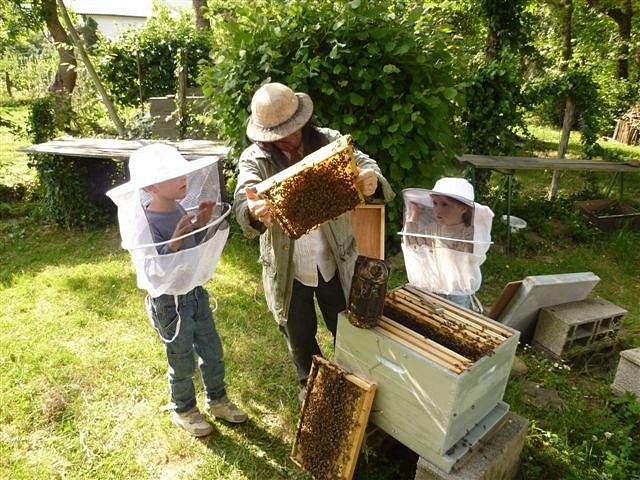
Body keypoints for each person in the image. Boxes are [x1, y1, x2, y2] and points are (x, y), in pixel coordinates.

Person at [234, 82, 394, 400]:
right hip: (288, 265)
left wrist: (371, 180)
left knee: (346, 324)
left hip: (335, 258)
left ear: (303, 120)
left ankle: (356, 376)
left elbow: (366, 164)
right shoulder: (255, 158)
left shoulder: (330, 142)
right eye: (277, 134)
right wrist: (253, 210)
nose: (286, 138)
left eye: (291, 129)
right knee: (299, 332)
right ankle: (308, 382)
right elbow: (244, 195)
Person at [110, 144, 247, 437]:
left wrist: (201, 221)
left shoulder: (179, 207)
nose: (183, 179)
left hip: (195, 293)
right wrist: (175, 238)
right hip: (170, 302)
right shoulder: (146, 220)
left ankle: (217, 399)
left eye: (182, 173)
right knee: (181, 357)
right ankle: (184, 408)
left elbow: (190, 248)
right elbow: (155, 263)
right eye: (173, 177)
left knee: (212, 350)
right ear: (152, 186)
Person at [401, 177, 494, 311]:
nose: (438, 210)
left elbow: (479, 248)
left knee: (456, 323)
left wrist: (480, 217)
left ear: (463, 208)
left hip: (457, 293)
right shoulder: (433, 229)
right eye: (435, 203)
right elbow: (411, 243)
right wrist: (413, 217)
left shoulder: (469, 233)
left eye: (445, 204)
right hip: (432, 288)